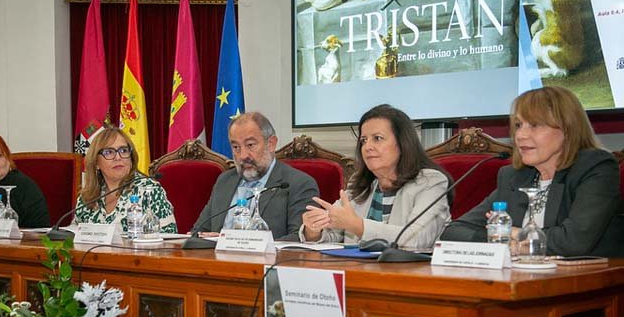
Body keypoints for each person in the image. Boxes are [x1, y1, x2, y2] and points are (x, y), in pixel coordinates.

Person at [441, 86, 622, 257]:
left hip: (586, 283)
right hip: (522, 278)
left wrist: (517, 234)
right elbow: (454, 231)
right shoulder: (514, 177)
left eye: (535, 125)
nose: (521, 135)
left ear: (568, 128)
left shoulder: (595, 167)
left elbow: (573, 241)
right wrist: (502, 242)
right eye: (519, 125)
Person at [300, 104, 452, 249]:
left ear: (402, 142)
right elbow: (333, 232)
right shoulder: (359, 185)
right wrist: (314, 230)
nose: (368, 147)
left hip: (411, 273)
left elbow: (417, 240)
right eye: (363, 140)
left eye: (377, 138)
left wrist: (356, 225)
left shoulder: (430, 182)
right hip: (358, 271)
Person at [193, 112, 319, 240]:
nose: (243, 155)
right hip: (218, 258)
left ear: (271, 144)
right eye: (236, 147)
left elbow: (299, 239)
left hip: (269, 260)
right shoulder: (225, 180)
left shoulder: (298, 184)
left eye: (250, 145)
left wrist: (235, 242)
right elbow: (197, 232)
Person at [73, 126, 177, 234]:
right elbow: (74, 236)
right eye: (109, 152)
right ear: (96, 162)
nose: (118, 157)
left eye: (123, 150)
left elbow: (169, 235)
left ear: (131, 157)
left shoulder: (149, 190)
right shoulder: (88, 197)